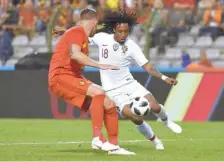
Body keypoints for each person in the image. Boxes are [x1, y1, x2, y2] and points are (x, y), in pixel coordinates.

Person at [89, 10, 182, 150]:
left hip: (130, 84)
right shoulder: (101, 38)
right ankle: (156, 141)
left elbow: (147, 66)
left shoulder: (131, 45)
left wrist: (164, 77)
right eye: (120, 31)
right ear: (114, 29)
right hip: (113, 90)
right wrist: (64, 31)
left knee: (155, 107)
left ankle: (166, 121)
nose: (123, 34)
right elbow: (81, 36)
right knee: (135, 117)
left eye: (126, 31)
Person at [49, 8, 135, 155]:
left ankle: (114, 146)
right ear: (94, 22)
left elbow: (75, 31)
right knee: (99, 92)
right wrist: (100, 65)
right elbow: (76, 55)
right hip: (61, 76)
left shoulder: (77, 32)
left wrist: (64, 30)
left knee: (109, 103)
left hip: (73, 76)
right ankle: (97, 139)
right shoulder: (77, 32)